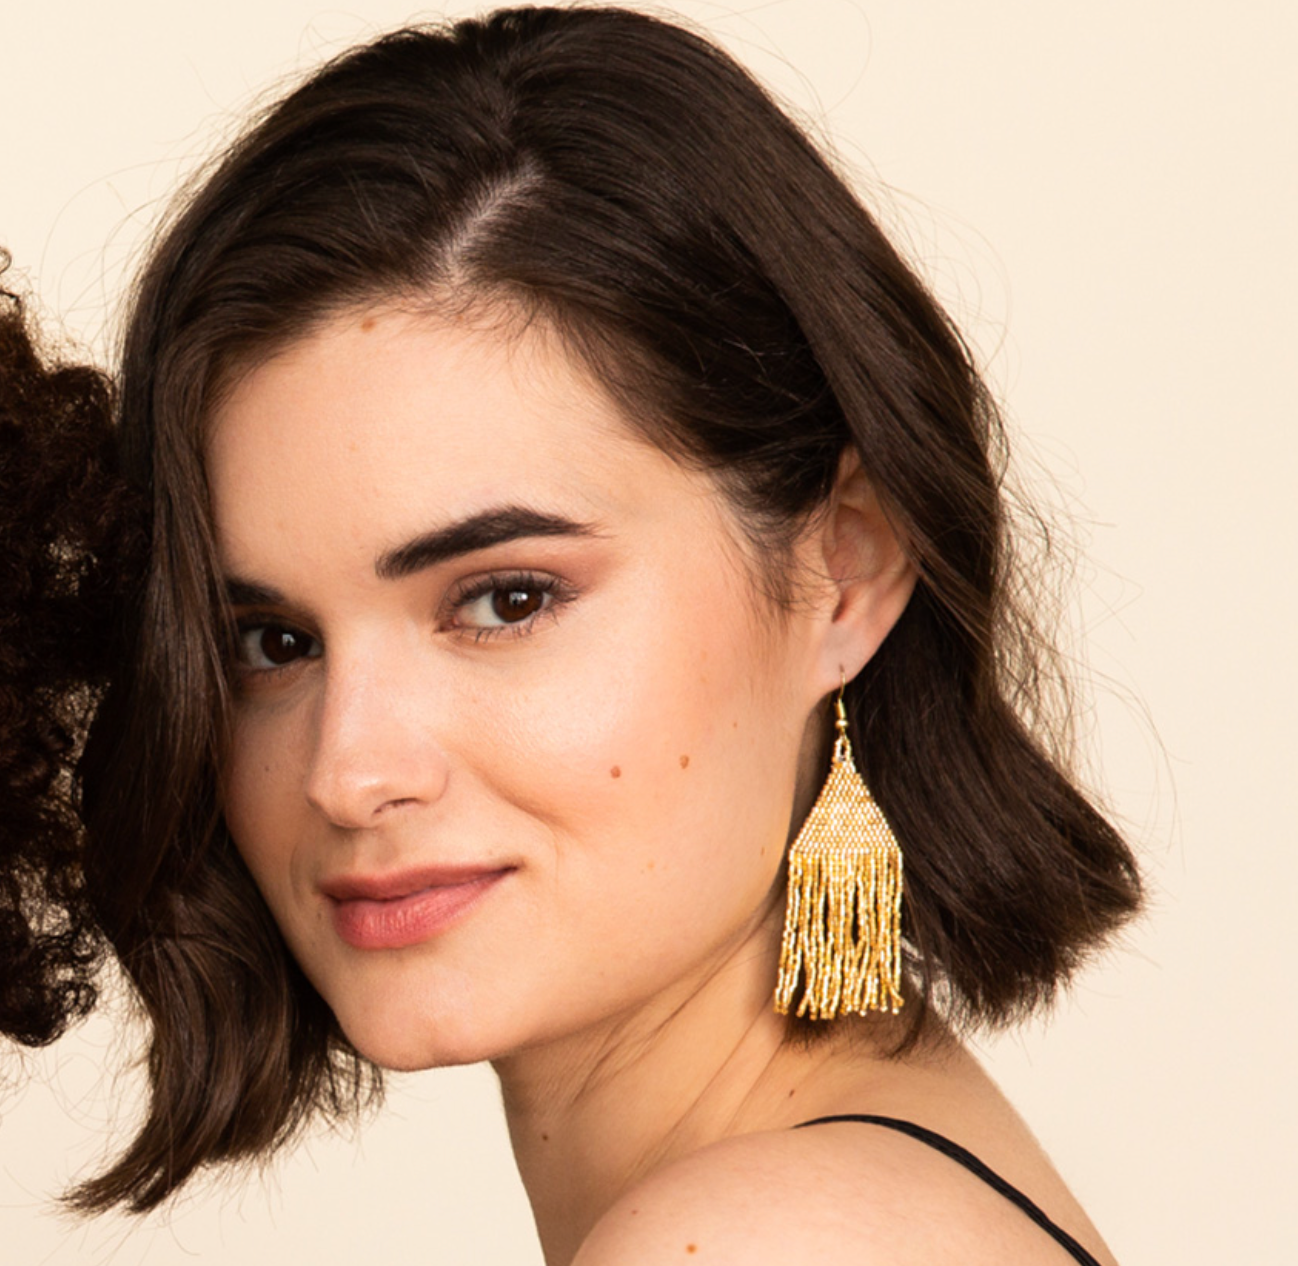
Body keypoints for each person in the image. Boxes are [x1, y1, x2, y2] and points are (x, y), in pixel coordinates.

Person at [0, 7, 1142, 1263]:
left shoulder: (763, 1239)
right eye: (270, 642)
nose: (347, 773)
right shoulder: (857, 1179)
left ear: (842, 572)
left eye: (506, 599)